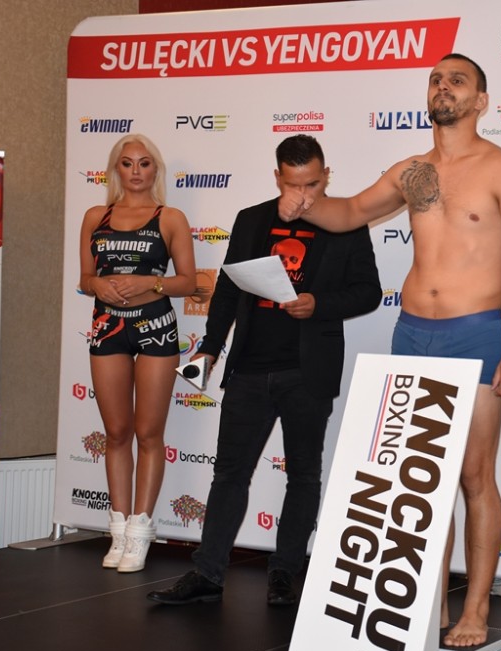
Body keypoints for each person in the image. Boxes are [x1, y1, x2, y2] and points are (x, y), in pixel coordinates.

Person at [278, 54, 501, 647]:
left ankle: (476, 608)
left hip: (474, 335)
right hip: (410, 334)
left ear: (481, 101)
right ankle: (426, 607)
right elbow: (349, 212)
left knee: (473, 475)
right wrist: (307, 204)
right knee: (420, 483)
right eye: (435, 80)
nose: (443, 87)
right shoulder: (413, 172)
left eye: (457, 80)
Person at [147, 134, 382, 606]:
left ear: (326, 175)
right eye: (294, 185)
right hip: (250, 369)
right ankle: (208, 573)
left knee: (304, 476)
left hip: (308, 371)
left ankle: (284, 574)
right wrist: (209, 349)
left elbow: (369, 292)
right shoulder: (251, 219)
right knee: (229, 475)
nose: (304, 196)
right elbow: (229, 290)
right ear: (277, 178)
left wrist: (318, 304)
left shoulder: (346, 224)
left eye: (313, 184)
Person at [79, 134, 197, 572]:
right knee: (115, 432)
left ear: (155, 170)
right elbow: (85, 278)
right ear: (116, 170)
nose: (136, 171)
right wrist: (98, 284)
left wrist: (149, 282)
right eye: (127, 163)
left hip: (156, 329)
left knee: (148, 433)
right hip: (107, 327)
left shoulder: (171, 217)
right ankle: (117, 530)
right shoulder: (96, 216)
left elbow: (189, 281)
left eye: (144, 163)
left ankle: (140, 531)